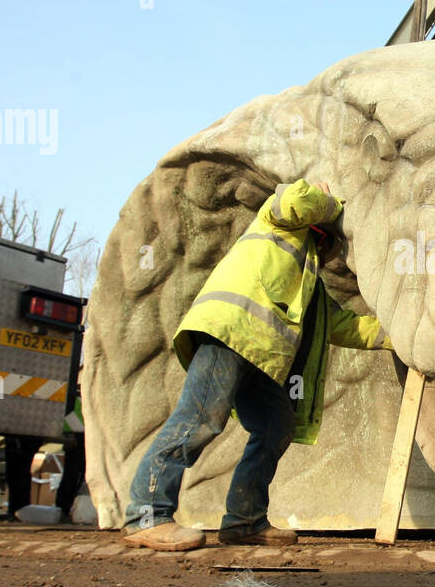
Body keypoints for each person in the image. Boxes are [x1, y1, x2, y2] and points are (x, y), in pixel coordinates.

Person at [122, 179, 393, 551]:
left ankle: (245, 520)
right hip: (229, 334)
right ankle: (146, 516)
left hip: (262, 359)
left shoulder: (308, 282)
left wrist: (406, 338)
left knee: (275, 426)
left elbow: (346, 326)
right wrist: (334, 203)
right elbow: (295, 199)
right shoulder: (278, 225)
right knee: (200, 419)